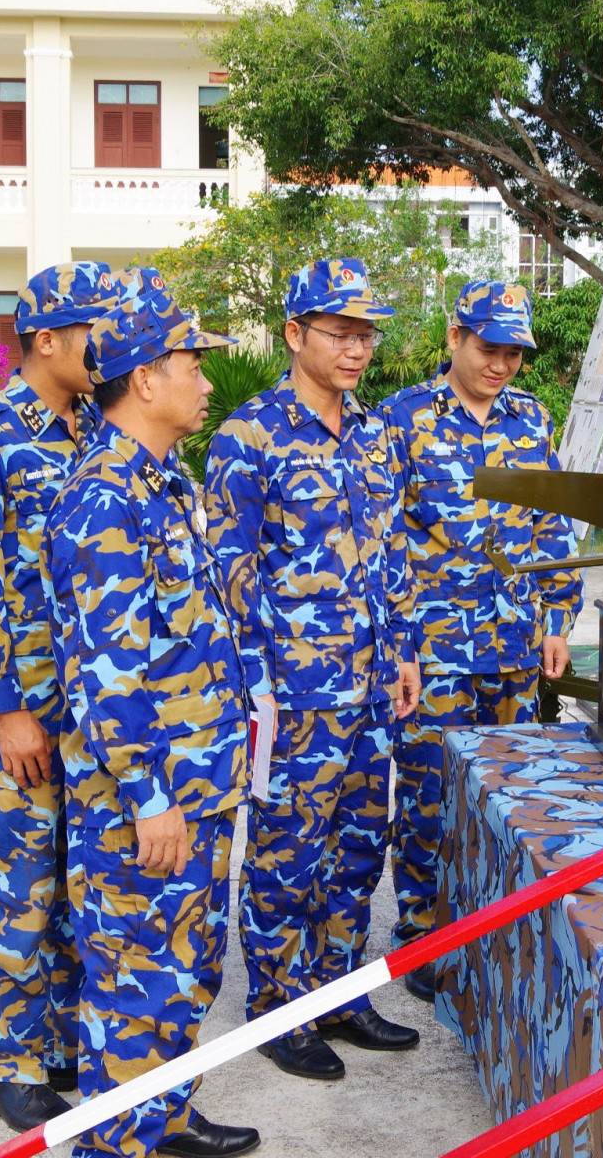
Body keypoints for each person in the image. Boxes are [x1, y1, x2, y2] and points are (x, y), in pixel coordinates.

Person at [45, 271, 259, 1157]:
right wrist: (148, 798)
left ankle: (164, 1117)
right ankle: (116, 1140)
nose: (208, 384)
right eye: (193, 366)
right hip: (150, 805)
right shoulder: (105, 501)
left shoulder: (166, 485)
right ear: (144, 379)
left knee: (185, 977)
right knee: (135, 988)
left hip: (198, 788)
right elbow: (106, 674)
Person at [204, 256, 424, 1083]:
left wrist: (402, 650)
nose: (356, 348)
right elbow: (230, 568)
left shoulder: (373, 434)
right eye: (339, 332)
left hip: (371, 685)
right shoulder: (248, 436)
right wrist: (263, 684)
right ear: (295, 334)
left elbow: (392, 551)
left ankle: (338, 990)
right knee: (288, 849)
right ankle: (278, 1005)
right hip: (294, 692)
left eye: (366, 333)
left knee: (361, 847)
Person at [0, 261, 120, 1133]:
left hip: (92, 701)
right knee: (17, 881)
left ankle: (57, 1043)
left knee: (74, 876)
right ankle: (7, 1061)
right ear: (47, 340)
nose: (108, 344)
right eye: (95, 329)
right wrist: (6, 707)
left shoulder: (95, 428)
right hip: (25, 703)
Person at [378, 280, 582, 999]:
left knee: (505, 790)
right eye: (489, 349)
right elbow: (384, 542)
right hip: (434, 649)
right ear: (454, 337)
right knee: (430, 792)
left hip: (515, 645)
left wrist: (557, 618)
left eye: (514, 355)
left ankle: (492, 921)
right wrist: (398, 643)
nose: (501, 366)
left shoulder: (531, 419)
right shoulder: (401, 419)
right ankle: (421, 932)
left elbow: (552, 524)